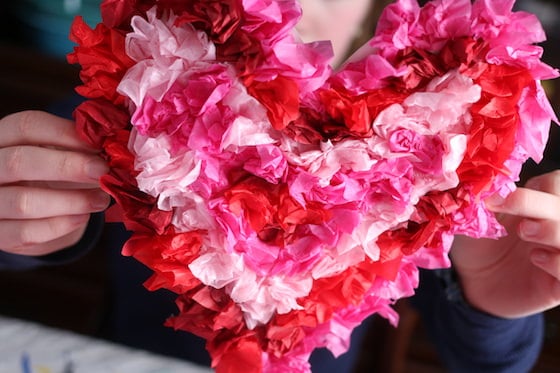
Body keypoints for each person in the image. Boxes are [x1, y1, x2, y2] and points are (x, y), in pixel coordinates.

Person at [0, 0, 558, 372]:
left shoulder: (445, 139)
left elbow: (488, 363)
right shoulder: (147, 81)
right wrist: (23, 226)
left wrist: (491, 309)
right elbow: (43, 188)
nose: (288, 14)